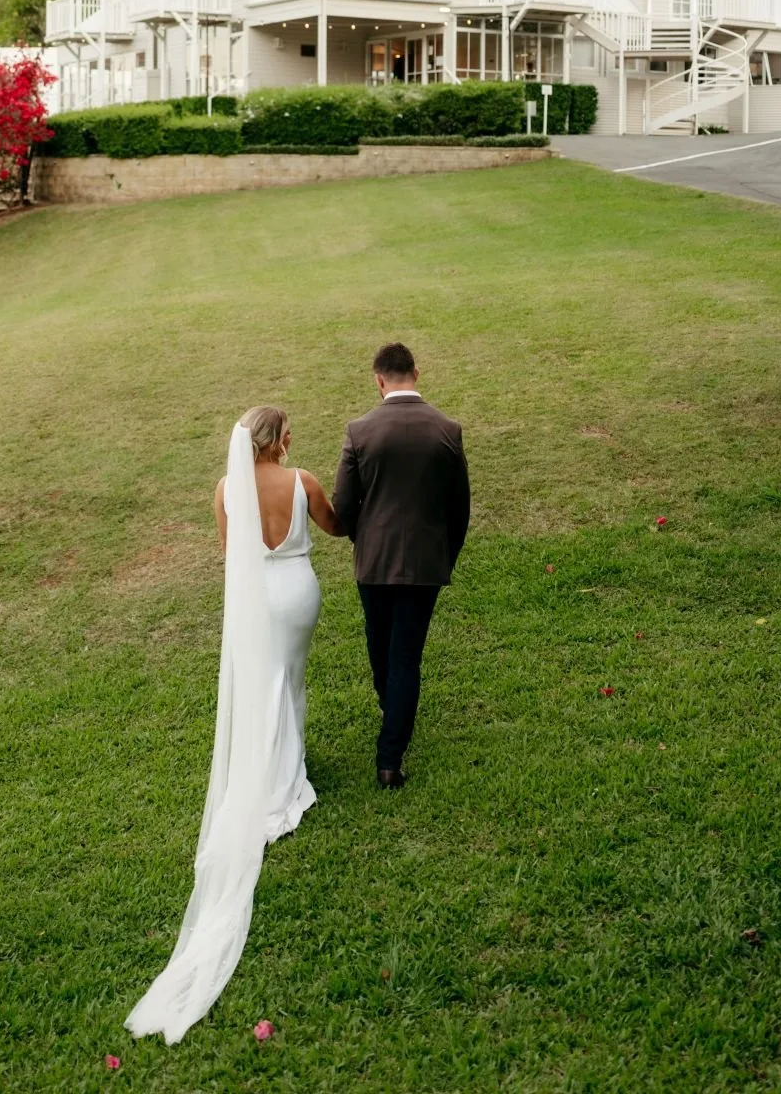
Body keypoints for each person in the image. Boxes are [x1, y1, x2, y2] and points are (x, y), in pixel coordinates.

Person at [125, 406, 339, 1045]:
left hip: (255, 599)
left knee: (262, 689)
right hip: (298, 593)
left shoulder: (225, 490)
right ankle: (283, 780)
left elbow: (229, 554)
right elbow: (336, 526)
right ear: (281, 441)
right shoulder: (303, 482)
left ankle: (276, 770)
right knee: (289, 684)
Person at [332, 343, 470, 790]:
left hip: (373, 563)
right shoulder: (447, 430)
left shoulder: (360, 431)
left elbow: (343, 505)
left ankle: (389, 746)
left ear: (379, 380)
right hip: (425, 565)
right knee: (404, 656)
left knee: (382, 647)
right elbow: (460, 507)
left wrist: (362, 539)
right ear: (417, 373)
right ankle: (392, 745)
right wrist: (445, 555)